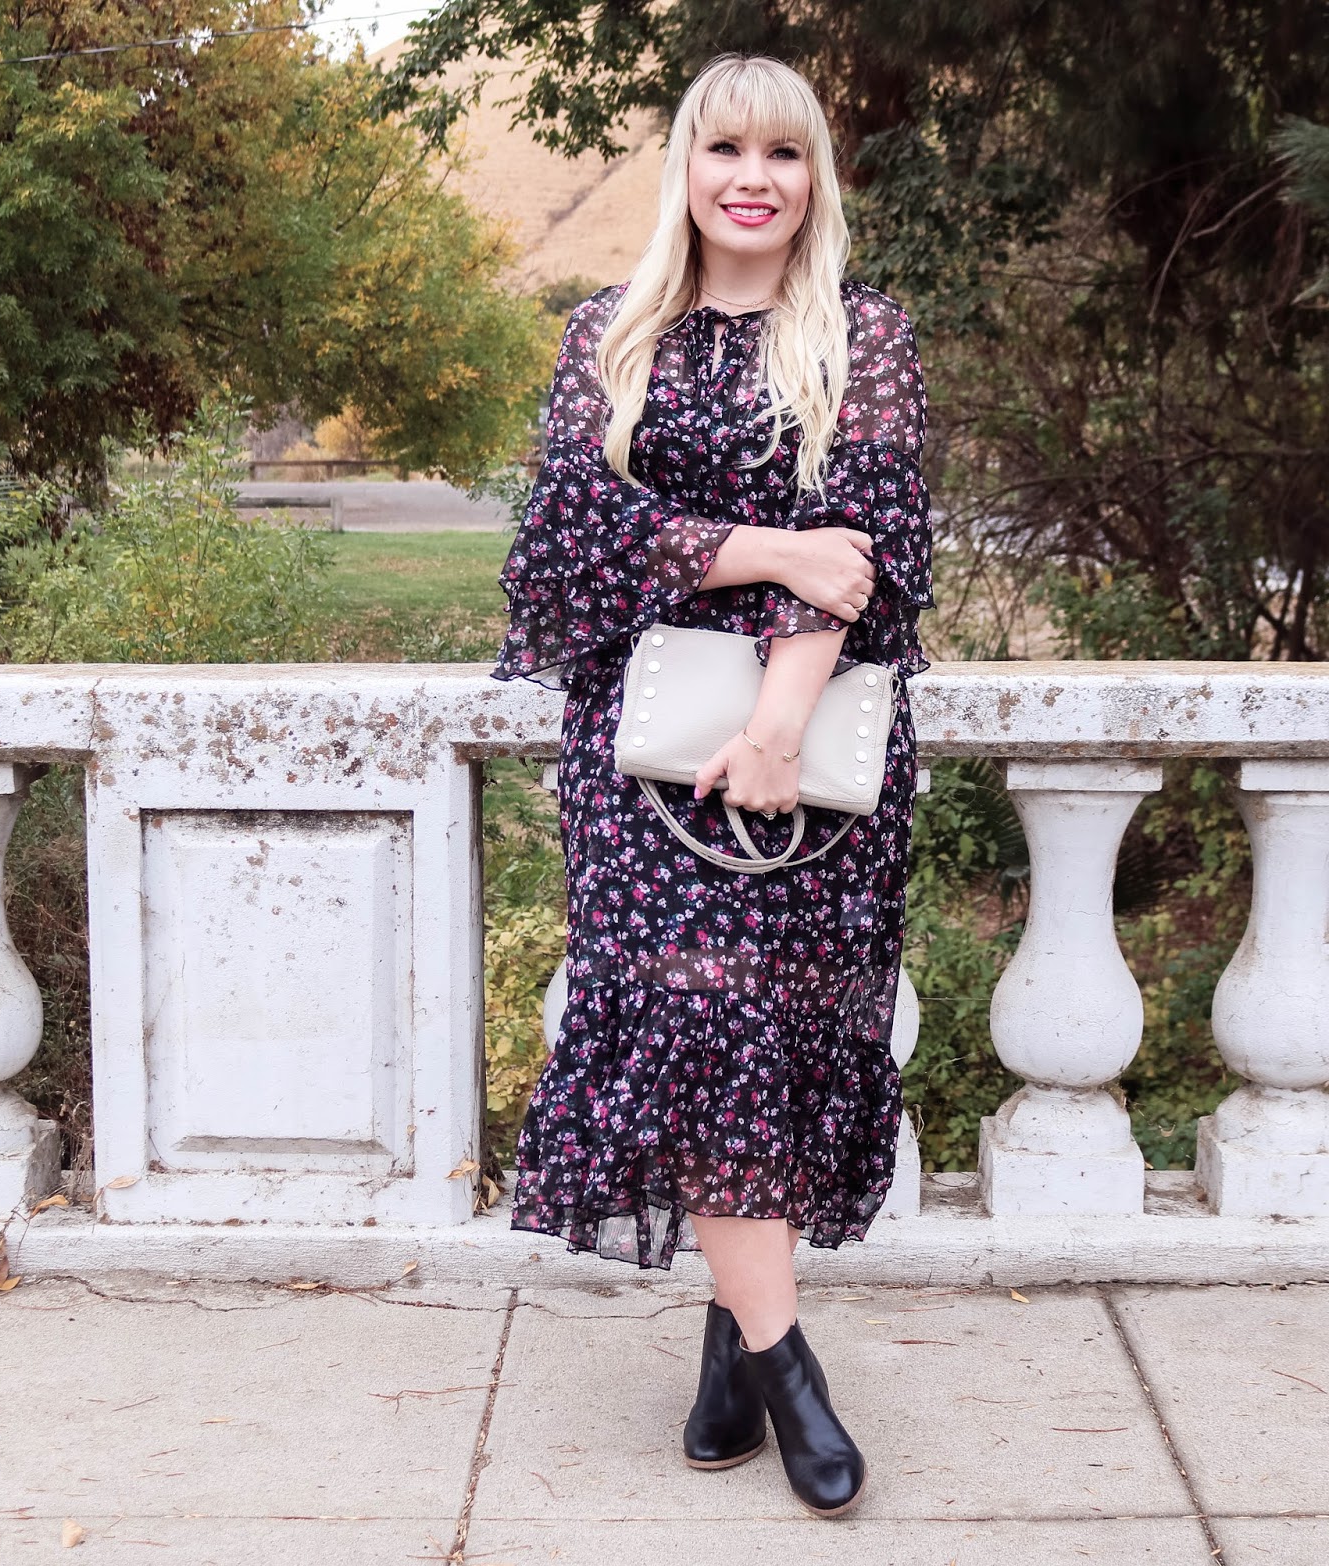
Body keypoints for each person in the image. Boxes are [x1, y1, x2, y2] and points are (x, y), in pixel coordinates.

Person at [491, 53, 932, 1518]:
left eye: (783, 153)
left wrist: (779, 731)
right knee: (694, 1023)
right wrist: (764, 546)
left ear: (815, 180)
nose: (753, 177)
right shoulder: (608, 334)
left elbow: (873, 550)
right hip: (637, 760)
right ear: (684, 168)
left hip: (813, 756)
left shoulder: (866, 336)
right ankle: (789, 1366)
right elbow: (564, 544)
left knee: (773, 1033)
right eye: (724, 149)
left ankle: (730, 1347)